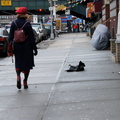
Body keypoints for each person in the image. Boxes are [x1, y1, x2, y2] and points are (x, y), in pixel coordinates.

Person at [8, 7, 38, 89]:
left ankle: (18, 76)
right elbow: (32, 38)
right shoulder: (27, 24)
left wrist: (10, 47)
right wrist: (34, 48)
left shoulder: (13, 23)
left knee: (18, 62)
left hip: (17, 46)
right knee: (27, 64)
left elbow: (10, 37)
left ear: (18, 14)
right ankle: (25, 81)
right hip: (27, 46)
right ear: (25, 14)